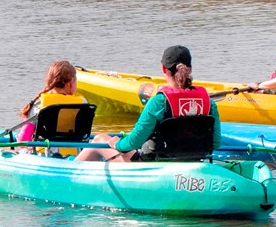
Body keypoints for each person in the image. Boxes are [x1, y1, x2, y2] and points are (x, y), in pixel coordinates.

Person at [77, 45, 221, 162]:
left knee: (99, 139)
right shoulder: (209, 103)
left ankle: (64, 176)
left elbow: (134, 142)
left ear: (164, 69)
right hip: (193, 162)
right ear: (189, 69)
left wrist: (116, 144)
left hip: (152, 167)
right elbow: (215, 143)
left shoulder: (159, 102)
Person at [16, 59, 83, 143]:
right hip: (76, 153)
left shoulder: (39, 105)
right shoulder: (83, 103)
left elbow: (23, 139)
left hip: (45, 153)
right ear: (72, 82)